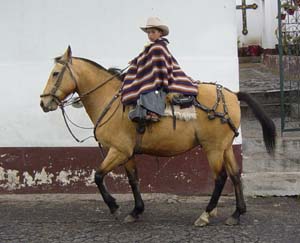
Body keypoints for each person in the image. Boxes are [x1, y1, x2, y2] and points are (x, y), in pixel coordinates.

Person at [121, 17, 198, 122]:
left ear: (160, 33)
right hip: (155, 75)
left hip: (161, 76)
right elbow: (144, 59)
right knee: (147, 83)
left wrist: (147, 71)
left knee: (148, 86)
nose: (150, 35)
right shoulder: (151, 47)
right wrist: (135, 61)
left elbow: (159, 63)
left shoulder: (158, 47)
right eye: (148, 32)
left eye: (153, 32)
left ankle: (153, 112)